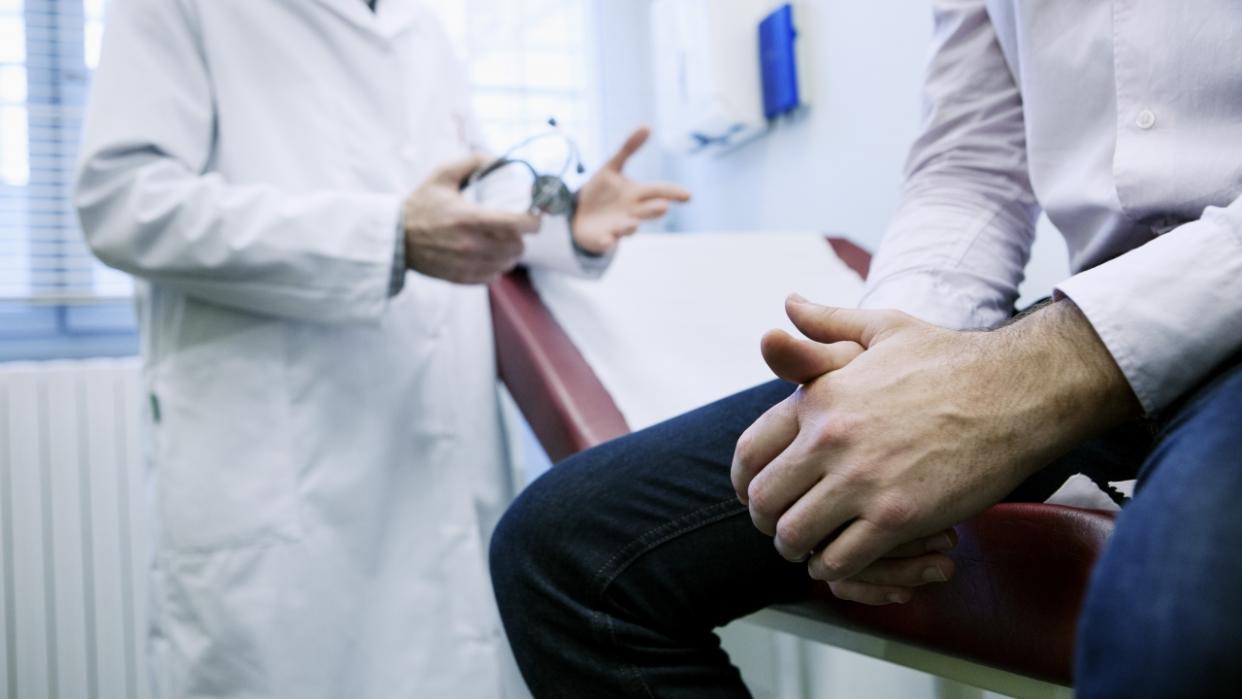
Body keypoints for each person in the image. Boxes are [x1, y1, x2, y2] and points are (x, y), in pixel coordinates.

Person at [489, 1, 1242, 697]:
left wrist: (1068, 357)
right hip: (1086, 312)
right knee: (568, 554)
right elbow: (969, 165)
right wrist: (883, 382)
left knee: (1181, 616)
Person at [74, 0, 689, 697]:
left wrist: (566, 220)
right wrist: (385, 235)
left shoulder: (419, 24)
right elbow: (122, 201)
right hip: (283, 464)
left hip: (436, 443)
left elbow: (464, 205)